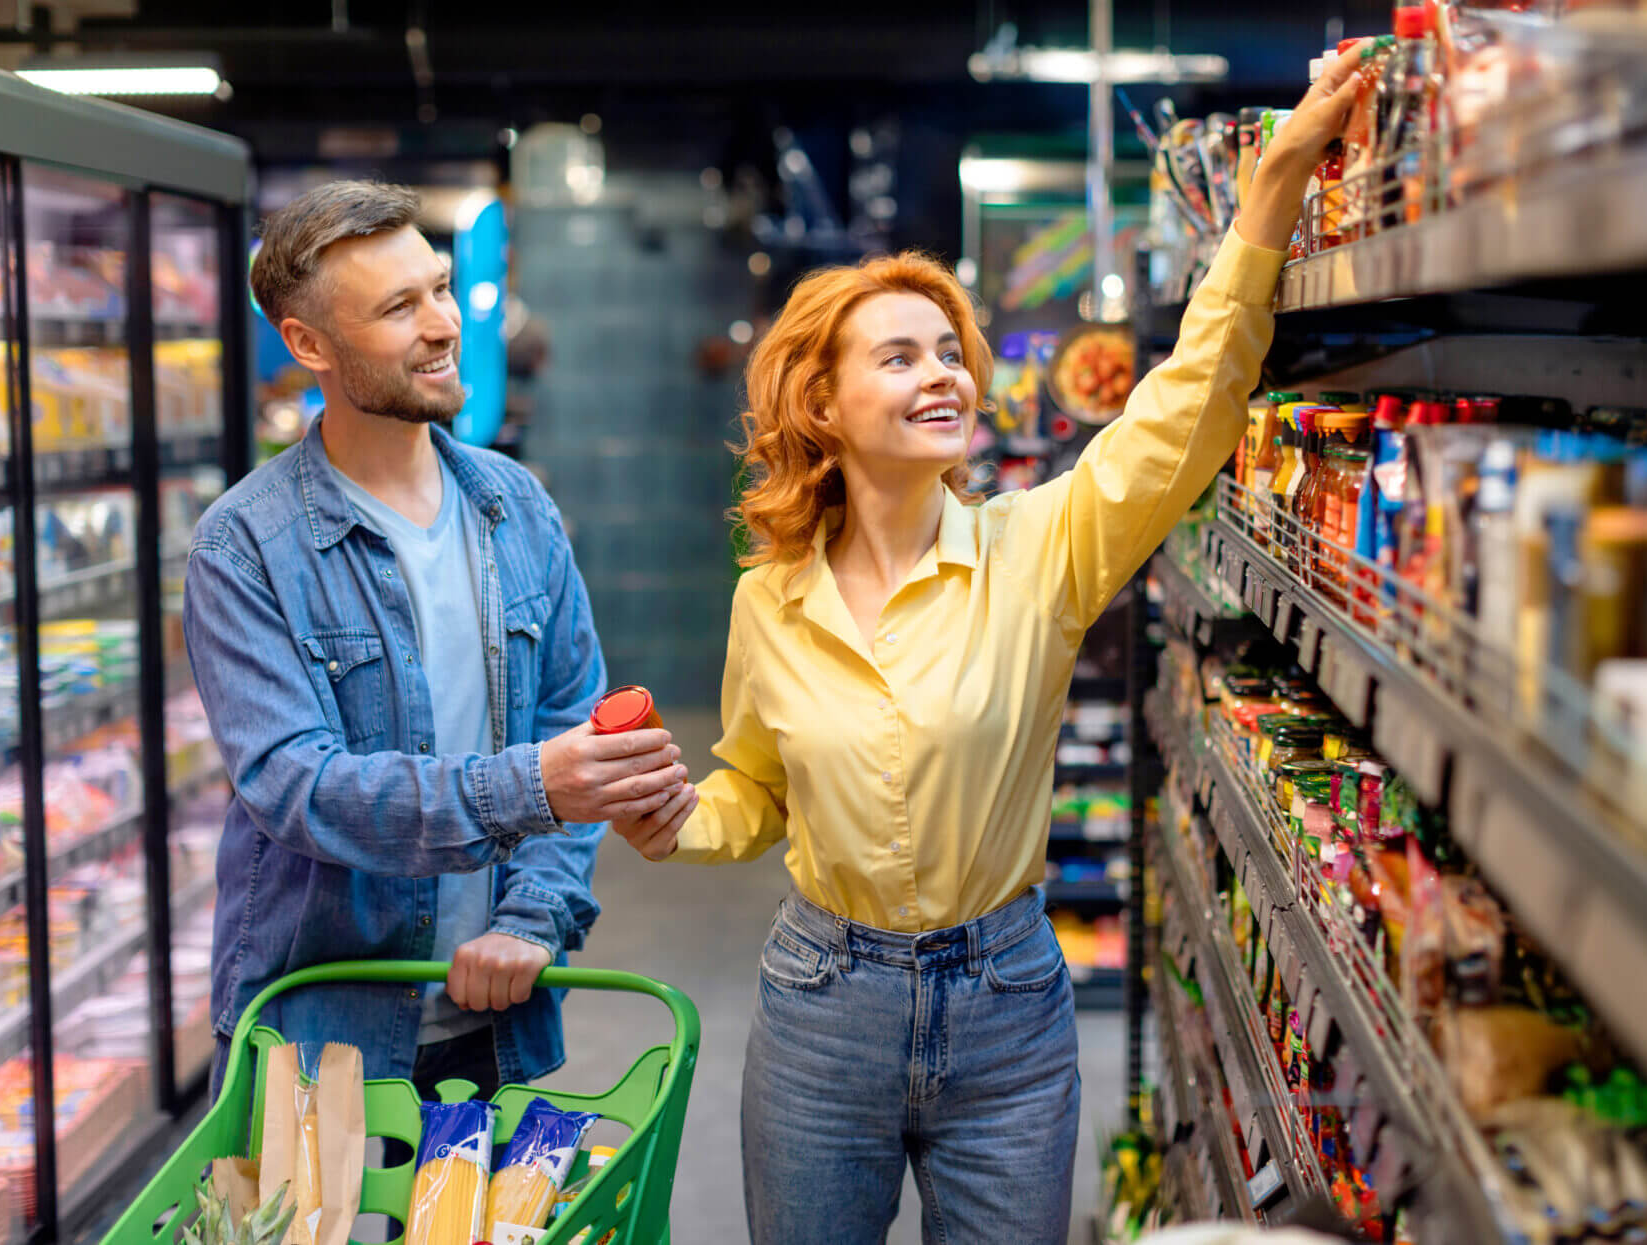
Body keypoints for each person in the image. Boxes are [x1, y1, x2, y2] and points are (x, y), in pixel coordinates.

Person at [606, 50, 1368, 1245]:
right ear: (822, 402)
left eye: (950, 351)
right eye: (899, 356)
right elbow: (754, 788)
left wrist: (1270, 185)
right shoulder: (773, 600)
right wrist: (677, 823)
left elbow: (1194, 398)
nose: (944, 374)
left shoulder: (1041, 547)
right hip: (821, 1005)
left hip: (1009, 1000)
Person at [184, 181, 690, 1102]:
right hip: (313, 1031)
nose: (443, 324)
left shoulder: (516, 506)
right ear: (308, 345)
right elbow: (296, 786)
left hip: (493, 1018)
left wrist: (534, 919)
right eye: (397, 307)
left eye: (441, 289)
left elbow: (572, 722)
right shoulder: (244, 544)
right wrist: (534, 784)